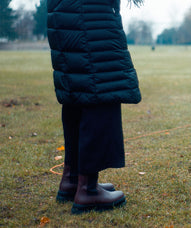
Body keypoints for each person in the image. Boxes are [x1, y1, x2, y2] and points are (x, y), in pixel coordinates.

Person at [47, 0, 142, 214]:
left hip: (64, 13)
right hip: (89, 13)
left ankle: (73, 180)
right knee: (101, 88)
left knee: (79, 89)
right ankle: (88, 189)